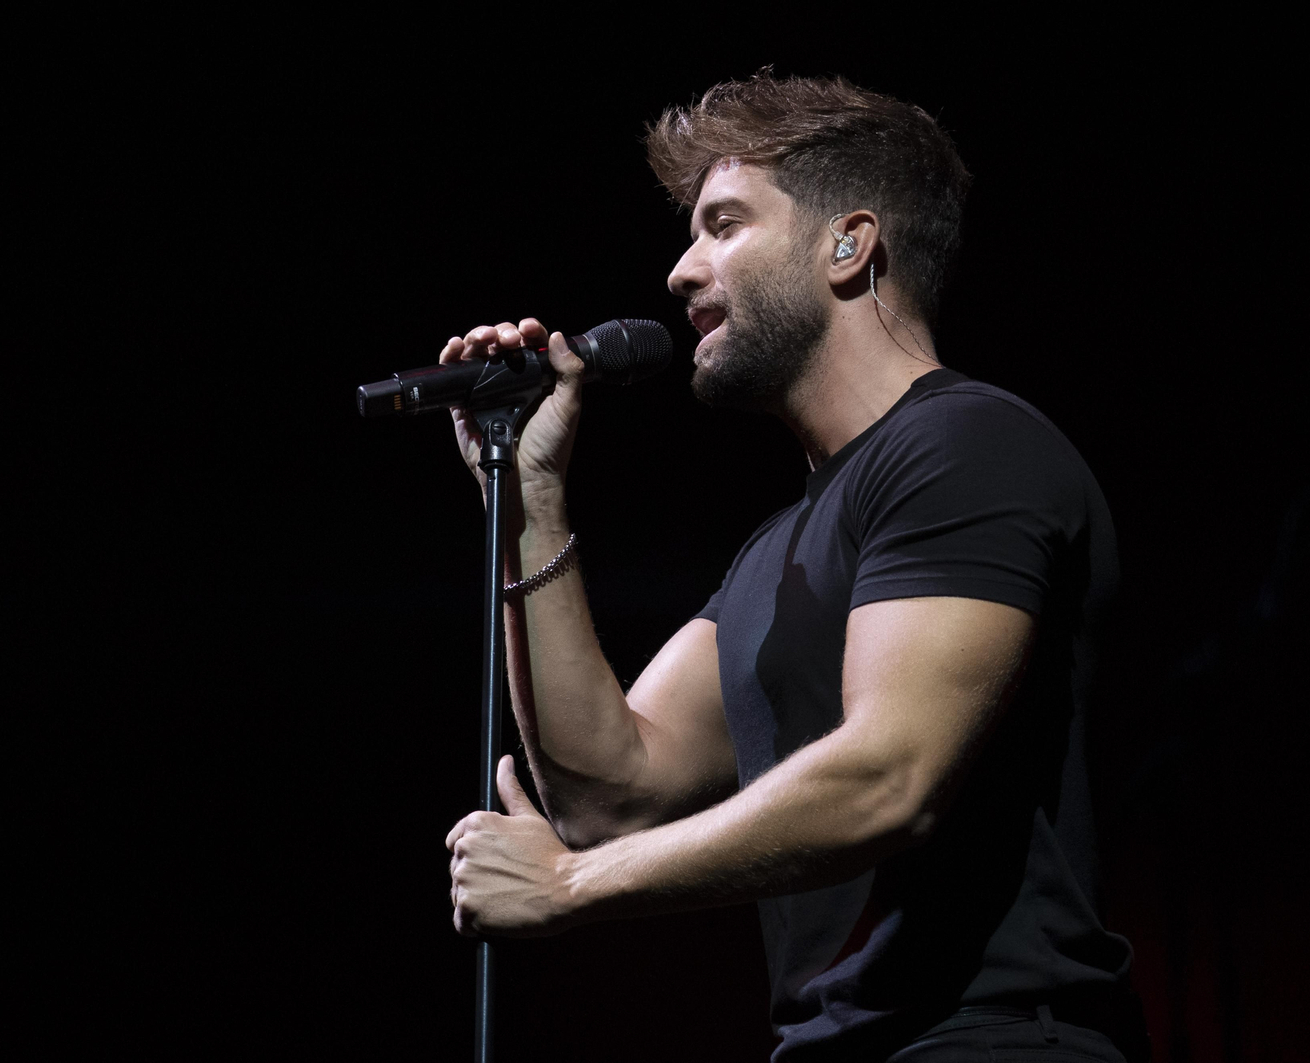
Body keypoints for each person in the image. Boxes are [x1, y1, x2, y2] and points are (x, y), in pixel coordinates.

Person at [442, 71, 1146, 1062]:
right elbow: (609, 792)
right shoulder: (776, 546)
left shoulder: (967, 447)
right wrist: (527, 497)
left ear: (849, 244)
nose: (683, 273)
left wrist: (568, 887)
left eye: (723, 224)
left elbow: (887, 775)